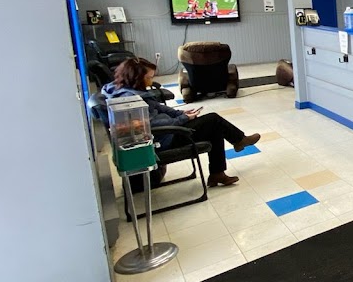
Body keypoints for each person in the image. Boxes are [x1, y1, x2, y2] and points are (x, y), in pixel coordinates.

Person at [102, 57, 260, 187]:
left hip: (169, 128)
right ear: (136, 78)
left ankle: (218, 172)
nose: (151, 81)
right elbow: (150, 126)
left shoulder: (129, 90)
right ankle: (238, 142)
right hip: (164, 137)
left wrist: (181, 113)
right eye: (149, 77)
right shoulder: (130, 102)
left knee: (213, 126)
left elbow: (160, 108)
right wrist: (182, 119)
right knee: (213, 120)